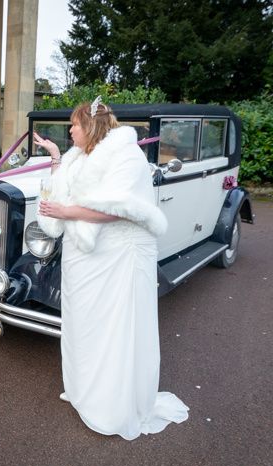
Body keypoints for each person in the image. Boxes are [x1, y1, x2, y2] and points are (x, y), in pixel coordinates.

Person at [34, 97, 189, 440]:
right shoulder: (79, 155)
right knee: (82, 323)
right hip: (82, 254)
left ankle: (111, 407)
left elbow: (119, 208)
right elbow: (67, 190)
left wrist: (65, 212)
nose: (70, 130)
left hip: (117, 254)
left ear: (90, 126)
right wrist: (55, 158)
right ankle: (82, 390)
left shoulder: (126, 155)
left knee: (112, 325)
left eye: (74, 124)